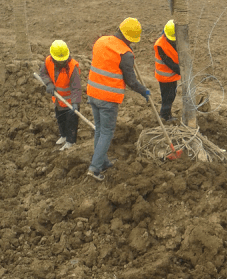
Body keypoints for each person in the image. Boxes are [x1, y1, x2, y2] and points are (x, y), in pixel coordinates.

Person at [86, 17, 150, 181]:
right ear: (129, 37)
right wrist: (144, 91)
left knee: (100, 130)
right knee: (106, 133)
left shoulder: (100, 41)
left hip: (93, 93)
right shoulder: (125, 54)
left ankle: (103, 161)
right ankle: (94, 168)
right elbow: (131, 81)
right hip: (108, 98)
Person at [39, 40, 81, 151]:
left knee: (71, 123)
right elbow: (43, 73)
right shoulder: (48, 61)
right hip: (58, 100)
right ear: (53, 57)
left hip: (70, 102)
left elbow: (76, 87)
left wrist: (76, 103)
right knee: (60, 119)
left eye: (63, 61)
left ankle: (70, 141)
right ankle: (63, 136)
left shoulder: (72, 67)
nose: (62, 63)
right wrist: (48, 83)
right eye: (59, 61)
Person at [154, 19, 180, 122]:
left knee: (172, 94)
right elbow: (168, 62)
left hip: (171, 75)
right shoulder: (160, 45)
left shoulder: (173, 37)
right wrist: (181, 71)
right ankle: (164, 117)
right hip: (164, 77)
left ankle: (167, 115)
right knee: (167, 97)